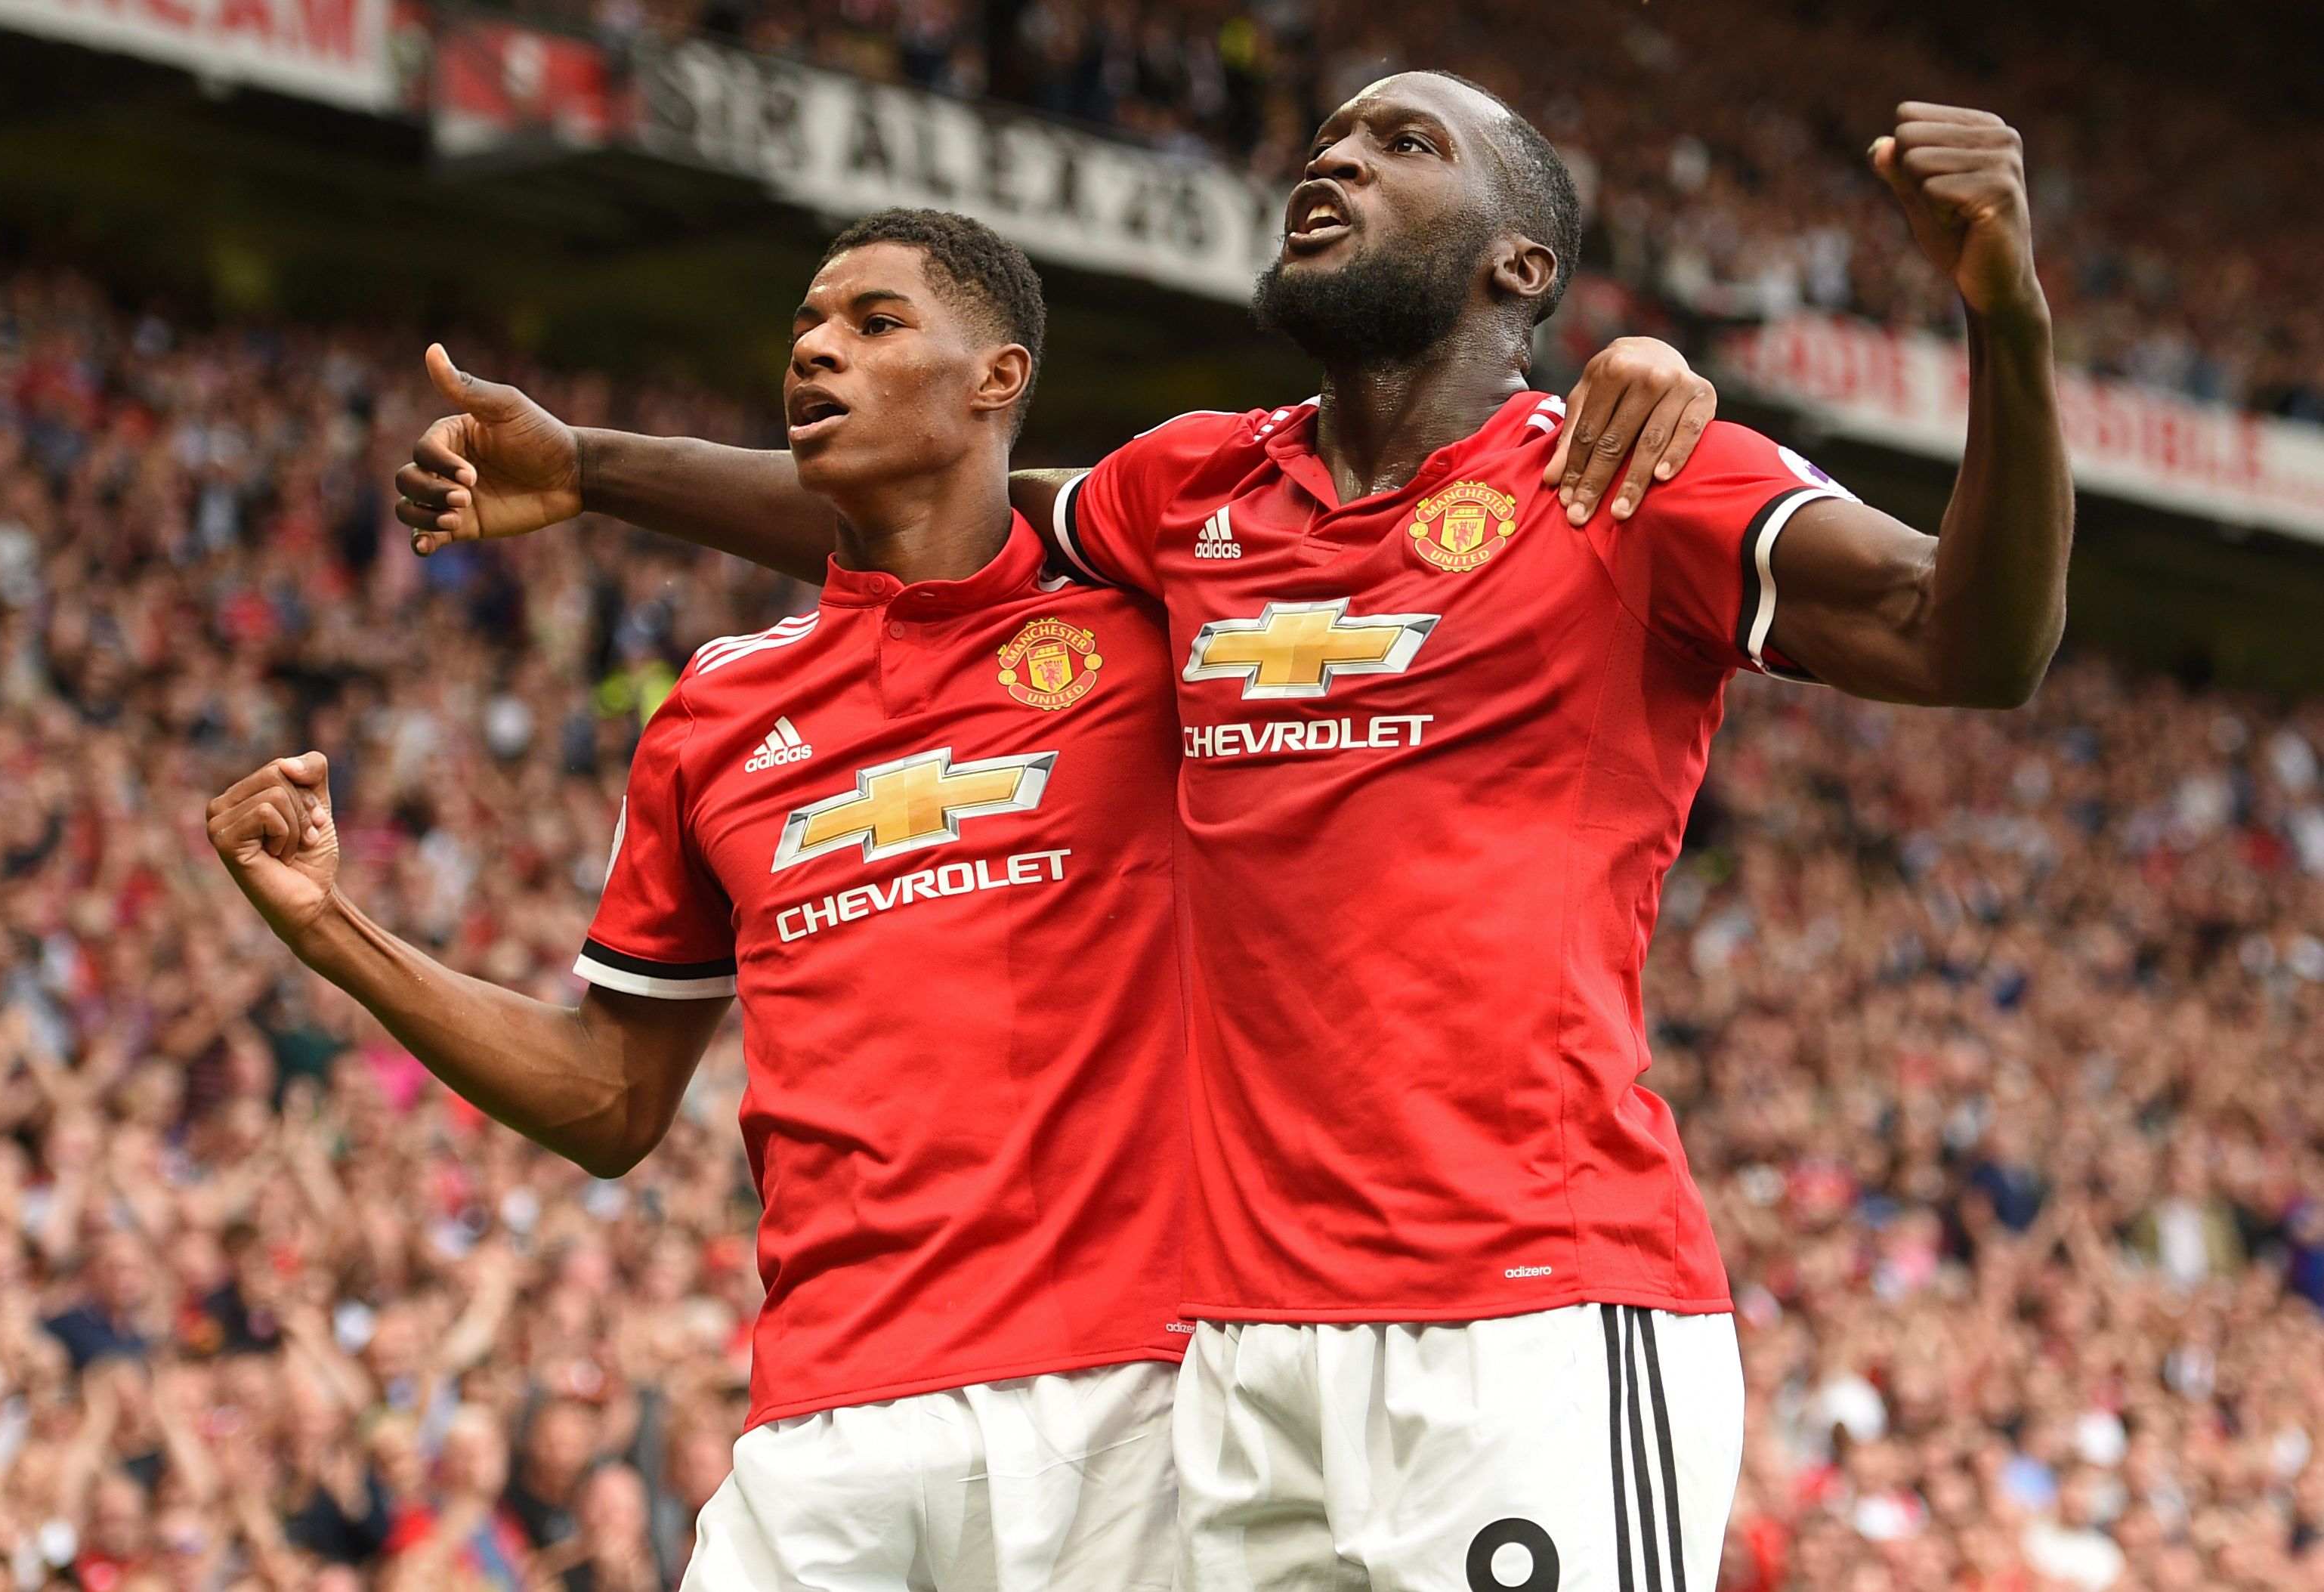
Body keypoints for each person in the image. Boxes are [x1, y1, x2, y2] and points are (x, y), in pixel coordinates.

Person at [394, 81, 2069, 1592]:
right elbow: (929, 505)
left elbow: (1970, 641)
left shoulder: (1621, 480)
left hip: (1537, 1315)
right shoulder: (1190, 495)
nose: (1336, 157)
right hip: (1246, 1364)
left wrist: (2006, 318)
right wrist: (596, 467)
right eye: (1330, 137)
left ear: (1522, 271)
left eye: (1408, 146)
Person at [213, 209, 1207, 1592]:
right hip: (821, 1420)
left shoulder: (1152, 634)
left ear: (999, 377)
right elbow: (609, 1098)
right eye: (805, 324)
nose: (813, 347)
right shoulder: (719, 711)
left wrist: (593, 466)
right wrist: (332, 928)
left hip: (1128, 1397)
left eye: (874, 322)